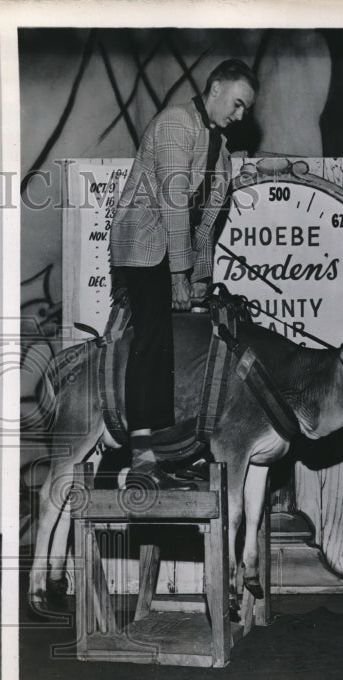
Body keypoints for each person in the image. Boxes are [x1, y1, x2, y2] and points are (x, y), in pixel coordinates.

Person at [109, 58, 258, 488]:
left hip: (175, 255)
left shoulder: (222, 150)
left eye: (246, 109)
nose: (240, 114)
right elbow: (175, 206)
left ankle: (169, 448)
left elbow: (207, 224)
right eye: (237, 103)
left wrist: (198, 280)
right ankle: (141, 453)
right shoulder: (177, 122)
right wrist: (178, 274)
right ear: (214, 90)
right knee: (153, 336)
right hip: (143, 244)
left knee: (184, 344)